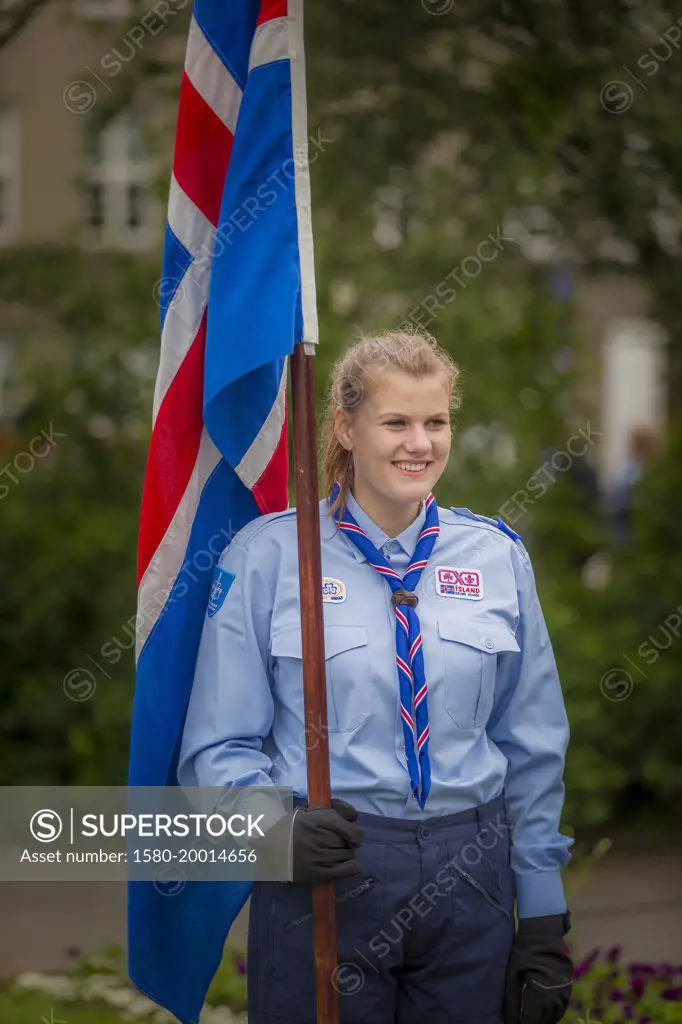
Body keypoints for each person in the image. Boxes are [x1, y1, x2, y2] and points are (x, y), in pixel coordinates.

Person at [177, 329, 574, 1024]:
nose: (418, 443)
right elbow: (216, 747)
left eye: (435, 422)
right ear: (345, 427)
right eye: (396, 421)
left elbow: (532, 746)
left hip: (470, 875)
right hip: (326, 875)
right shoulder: (271, 556)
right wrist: (275, 835)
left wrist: (541, 916)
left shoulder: (497, 558)